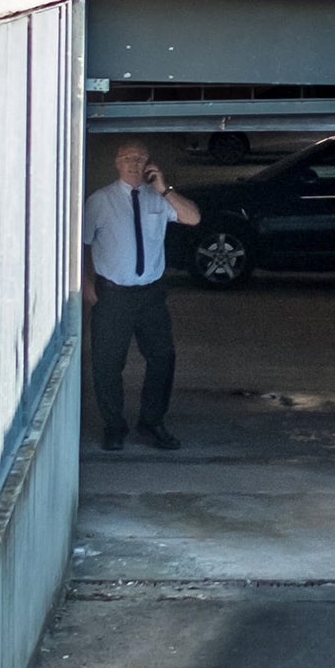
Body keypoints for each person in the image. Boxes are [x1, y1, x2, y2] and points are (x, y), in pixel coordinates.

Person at [82, 140, 200, 450]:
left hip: (150, 296)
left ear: (149, 162)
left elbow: (193, 218)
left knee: (162, 358)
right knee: (107, 363)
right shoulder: (100, 201)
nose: (134, 162)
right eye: (127, 158)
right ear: (117, 163)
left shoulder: (159, 199)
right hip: (113, 296)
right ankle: (114, 426)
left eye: (140, 157)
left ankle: (151, 423)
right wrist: (84, 282)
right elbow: (77, 243)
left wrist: (165, 189)